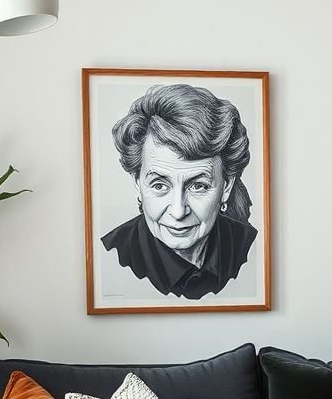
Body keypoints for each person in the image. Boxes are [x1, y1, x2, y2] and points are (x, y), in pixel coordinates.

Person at [101, 83, 258, 299]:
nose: (178, 211)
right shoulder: (110, 256)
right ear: (137, 183)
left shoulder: (254, 250)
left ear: (226, 187)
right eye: (159, 185)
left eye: (198, 186)